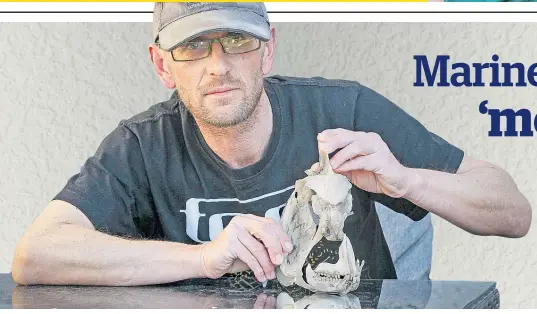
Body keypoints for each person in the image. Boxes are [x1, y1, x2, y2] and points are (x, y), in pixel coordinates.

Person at [12, 2, 531, 286]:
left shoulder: (342, 110)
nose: (218, 65)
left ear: (268, 50)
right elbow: (37, 257)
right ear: (162, 66)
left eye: (237, 40)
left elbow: (512, 213)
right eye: (194, 46)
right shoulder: (143, 146)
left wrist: (409, 180)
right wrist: (202, 259)